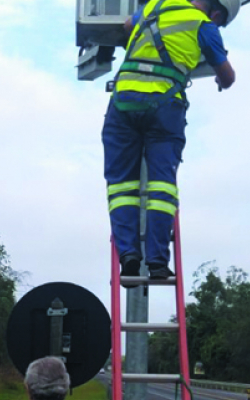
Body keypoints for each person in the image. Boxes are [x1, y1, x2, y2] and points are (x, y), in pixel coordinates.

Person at [103, 0, 240, 287]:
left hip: (123, 102)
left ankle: (128, 255)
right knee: (161, 185)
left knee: (121, 187)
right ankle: (157, 262)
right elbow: (228, 77)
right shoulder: (204, 26)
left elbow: (128, 25)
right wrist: (218, 78)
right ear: (216, 12)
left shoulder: (155, 5)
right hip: (164, 107)